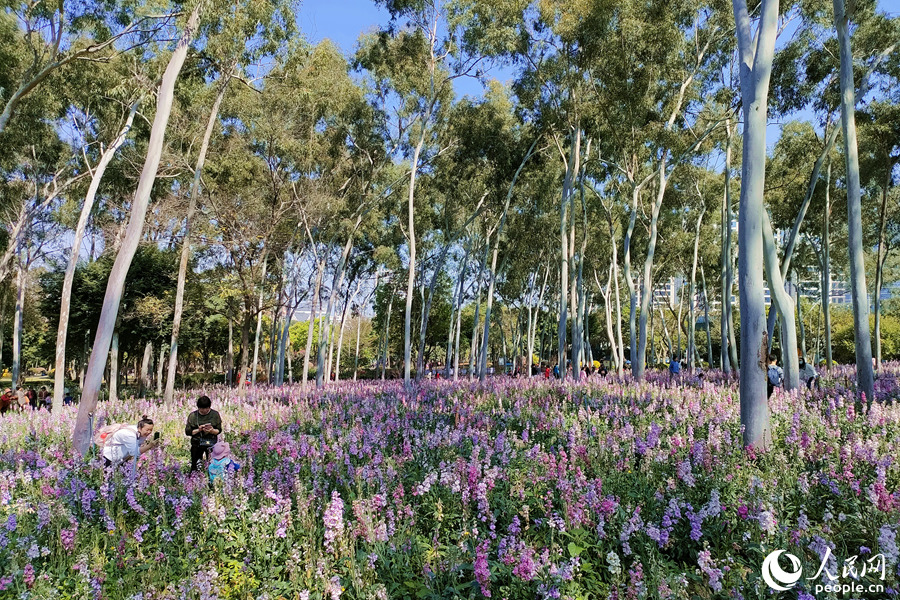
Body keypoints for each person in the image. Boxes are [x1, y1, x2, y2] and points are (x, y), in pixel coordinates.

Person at [185, 395, 222, 472]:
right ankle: (195, 475)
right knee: (195, 464)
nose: (204, 410)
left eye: (206, 408)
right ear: (198, 407)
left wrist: (211, 430)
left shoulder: (215, 414)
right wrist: (199, 430)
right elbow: (188, 432)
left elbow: (219, 430)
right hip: (197, 442)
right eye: (202, 409)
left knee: (213, 464)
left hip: (211, 442)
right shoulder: (193, 416)